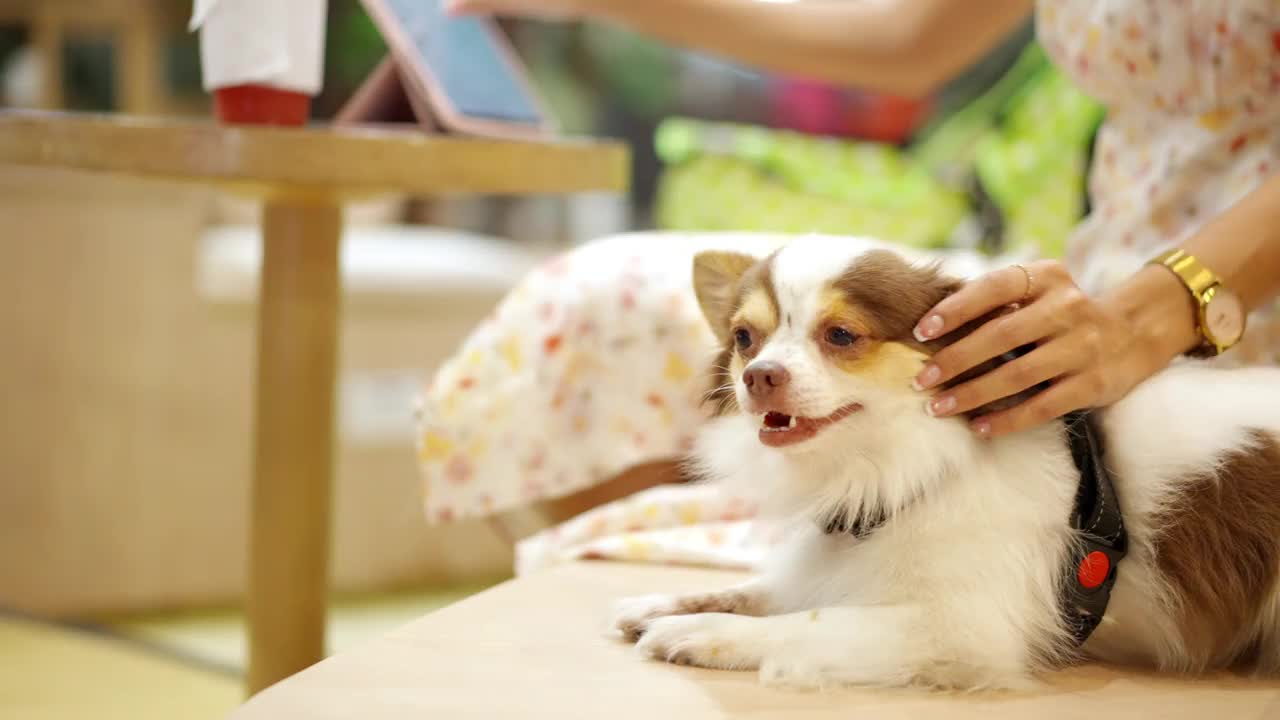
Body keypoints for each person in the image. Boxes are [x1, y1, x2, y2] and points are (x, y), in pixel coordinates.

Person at [449, 0, 1280, 438]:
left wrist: (1150, 317)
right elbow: (907, 38)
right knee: (594, 309)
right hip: (1107, 278)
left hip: (1203, 308)